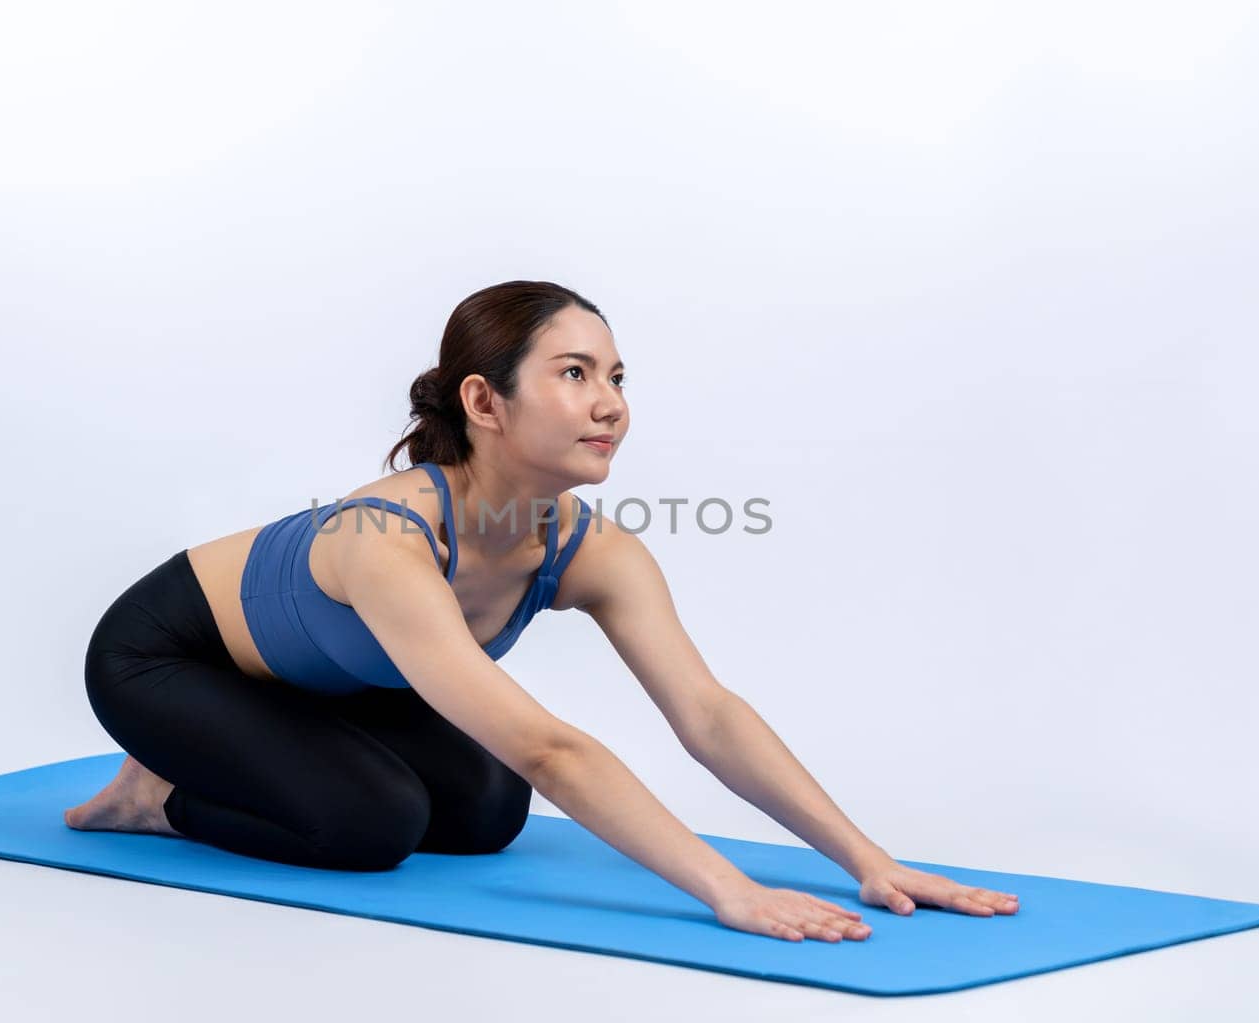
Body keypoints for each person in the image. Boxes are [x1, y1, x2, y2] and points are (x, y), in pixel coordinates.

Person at [65, 279, 1020, 944]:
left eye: (616, 377)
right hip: (169, 659)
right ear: (485, 399)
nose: (608, 404)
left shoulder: (591, 549)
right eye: (574, 374)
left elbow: (709, 712)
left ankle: (248, 757)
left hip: (325, 677)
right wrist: (728, 890)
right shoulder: (387, 541)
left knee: (486, 809)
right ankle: (154, 795)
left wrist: (868, 859)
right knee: (372, 825)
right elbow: (552, 747)